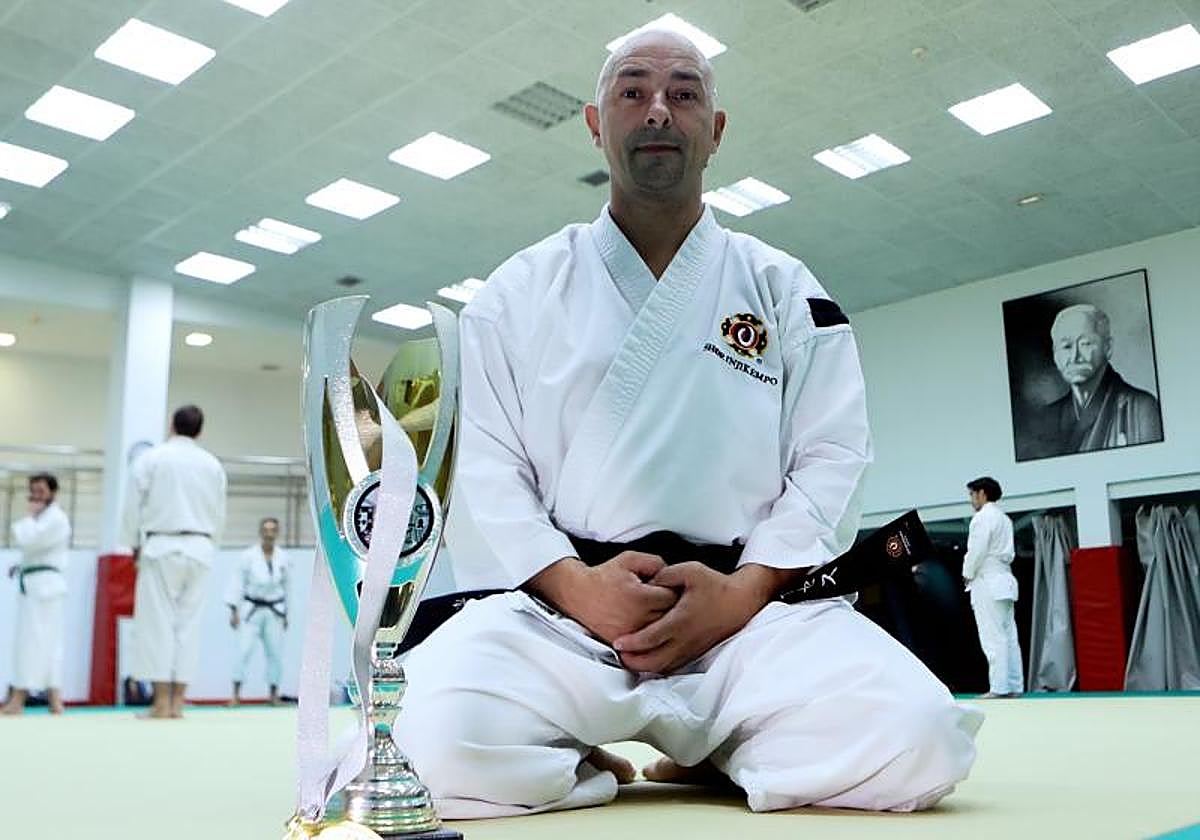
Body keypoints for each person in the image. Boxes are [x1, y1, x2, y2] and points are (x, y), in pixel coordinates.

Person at [394, 29, 981, 818]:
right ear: (595, 125)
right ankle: (602, 753)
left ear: (716, 129)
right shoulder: (517, 293)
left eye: (683, 93)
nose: (657, 111)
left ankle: (716, 752)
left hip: (743, 619)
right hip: (565, 618)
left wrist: (743, 592)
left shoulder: (782, 288)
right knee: (424, 748)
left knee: (921, 739)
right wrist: (577, 588)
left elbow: (833, 454)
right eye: (632, 92)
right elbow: (485, 465)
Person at [120, 405, 227, 719]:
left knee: (157, 625)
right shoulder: (212, 465)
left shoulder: (152, 459)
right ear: (200, 431)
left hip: (161, 546)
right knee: (189, 626)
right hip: (201, 547)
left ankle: (161, 703)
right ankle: (178, 703)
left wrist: (133, 543)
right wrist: (212, 545)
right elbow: (219, 511)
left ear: (171, 425)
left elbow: (132, 506)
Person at [1036, 304, 1162, 457]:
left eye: (1085, 344)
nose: (1075, 356)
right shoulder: (1046, 417)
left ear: (1108, 348)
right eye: (1067, 346)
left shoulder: (1140, 408)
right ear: (1055, 356)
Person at [3, 473, 71, 715]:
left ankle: (18, 699)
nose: (35, 496)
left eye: (41, 491)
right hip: (39, 584)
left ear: (53, 493)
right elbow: (38, 549)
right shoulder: (45, 519)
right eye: (32, 491)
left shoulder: (55, 518)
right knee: (46, 642)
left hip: (44, 587)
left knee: (32, 643)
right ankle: (54, 700)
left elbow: (29, 539)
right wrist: (21, 566)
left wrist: (29, 516)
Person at [962, 477, 1022, 698]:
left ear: (982, 493)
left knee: (993, 636)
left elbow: (976, 550)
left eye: (972, 494)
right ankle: (1014, 685)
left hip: (987, 580)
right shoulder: (1004, 519)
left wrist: (967, 573)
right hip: (1005, 580)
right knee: (1008, 635)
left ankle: (998, 687)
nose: (971, 499)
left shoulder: (982, 518)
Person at [226, 517, 288, 705]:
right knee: (243, 651)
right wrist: (234, 610)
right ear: (260, 532)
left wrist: (287, 614)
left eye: (273, 530)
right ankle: (235, 695)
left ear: (277, 533)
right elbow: (237, 583)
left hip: (275, 610)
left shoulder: (283, 557)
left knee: (275, 653)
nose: (269, 534)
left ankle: (274, 695)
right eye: (266, 530)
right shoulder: (247, 556)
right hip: (251, 610)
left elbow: (288, 588)